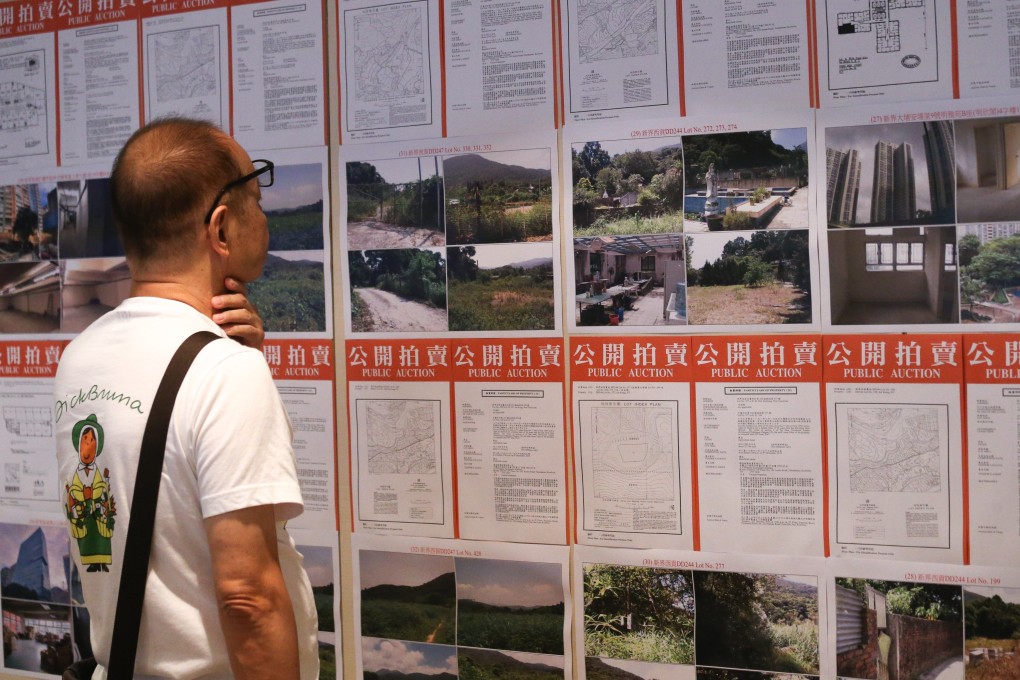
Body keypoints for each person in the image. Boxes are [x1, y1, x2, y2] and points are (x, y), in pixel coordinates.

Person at [54, 117, 318, 679]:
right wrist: (232, 365)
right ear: (221, 229)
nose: (265, 216)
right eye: (257, 196)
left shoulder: (80, 356)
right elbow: (248, 597)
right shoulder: (223, 369)